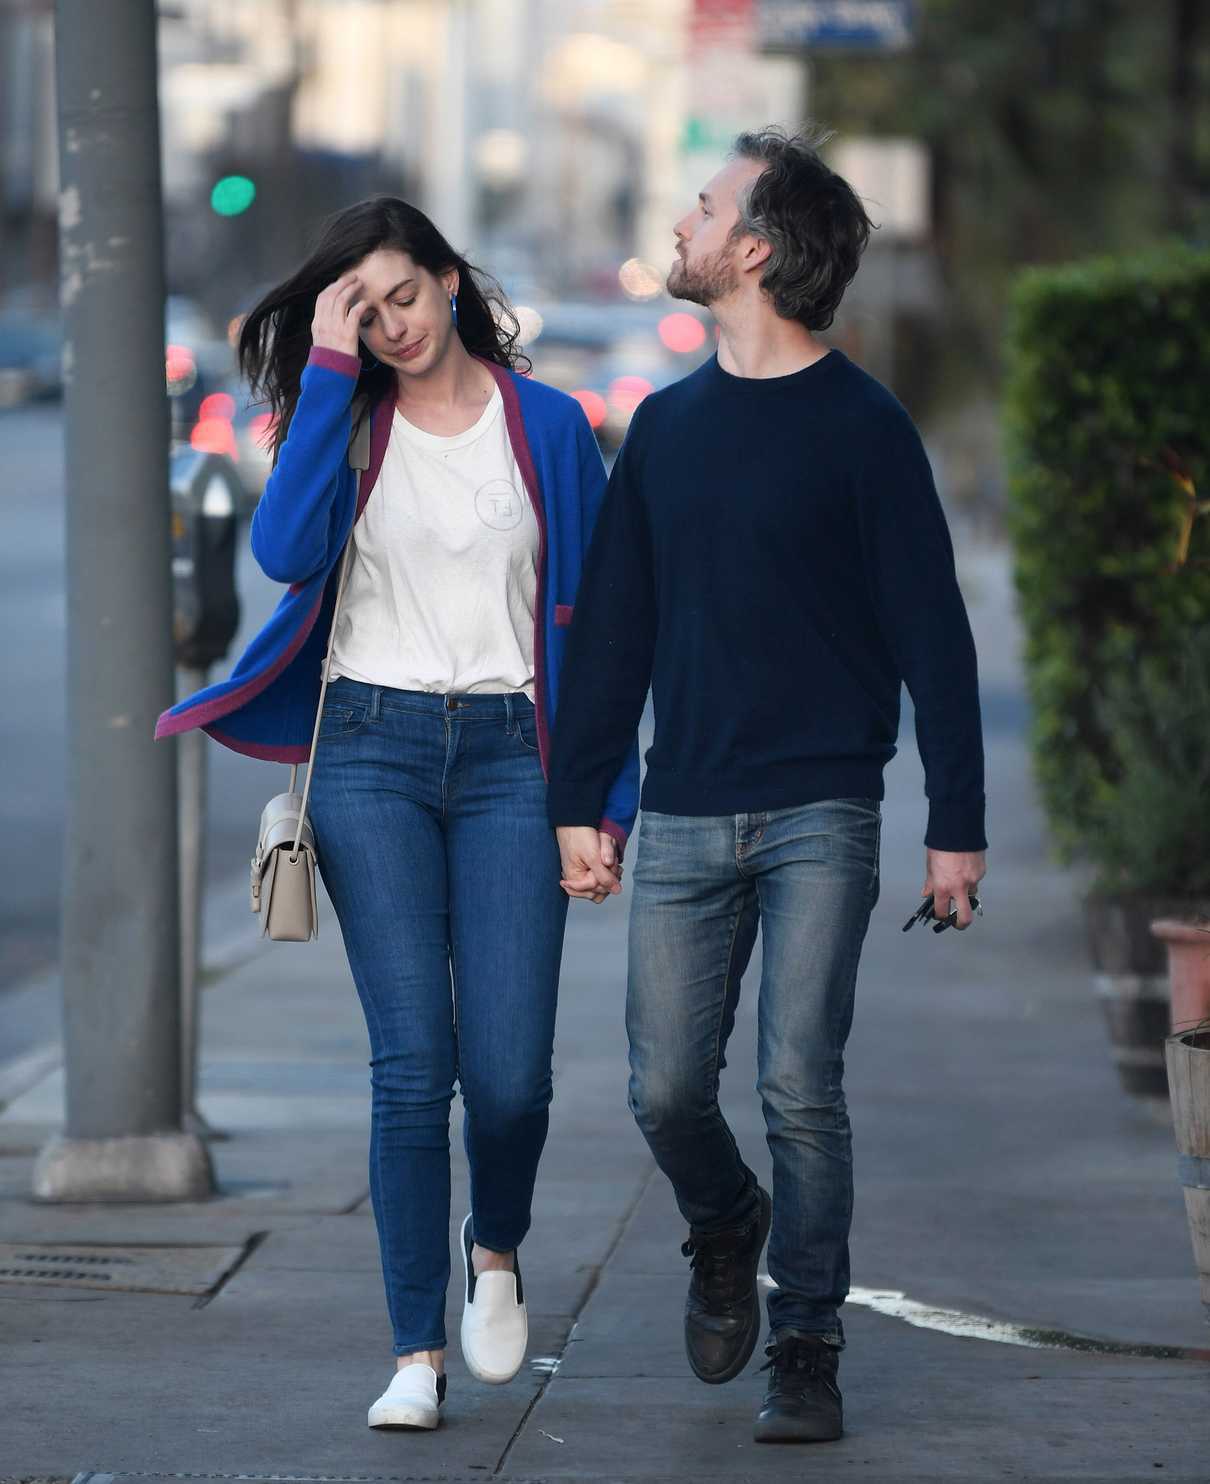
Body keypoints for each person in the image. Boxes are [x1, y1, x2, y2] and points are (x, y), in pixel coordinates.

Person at [156, 197, 638, 1432]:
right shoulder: (348, 418)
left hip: (513, 760)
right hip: (369, 751)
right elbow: (280, 548)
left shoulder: (547, 425)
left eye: (402, 296)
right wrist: (323, 364)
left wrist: (602, 803)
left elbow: (601, 627)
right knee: (413, 1065)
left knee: (514, 1076)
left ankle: (497, 1244)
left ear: (448, 279)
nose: (393, 326)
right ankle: (415, 1348)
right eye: (363, 314)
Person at [546, 128, 987, 1445]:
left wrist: (952, 827)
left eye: (705, 206)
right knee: (667, 1090)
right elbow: (614, 629)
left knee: (799, 1080)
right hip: (683, 804)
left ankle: (805, 1342)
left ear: (755, 250)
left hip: (819, 810)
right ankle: (722, 1220)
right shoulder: (668, 432)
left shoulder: (863, 430)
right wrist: (586, 798)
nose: (683, 220)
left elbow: (934, 636)